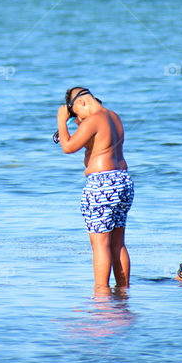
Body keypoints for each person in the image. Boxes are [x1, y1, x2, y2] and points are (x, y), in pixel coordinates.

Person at [55, 87, 134, 291]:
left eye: (76, 114)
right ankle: (123, 292)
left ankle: (101, 295)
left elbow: (68, 147)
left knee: (100, 245)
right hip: (122, 181)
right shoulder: (113, 117)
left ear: (82, 103)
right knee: (118, 243)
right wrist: (77, 119)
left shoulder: (93, 120)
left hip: (102, 183)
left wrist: (61, 120)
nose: (77, 118)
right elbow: (96, 142)